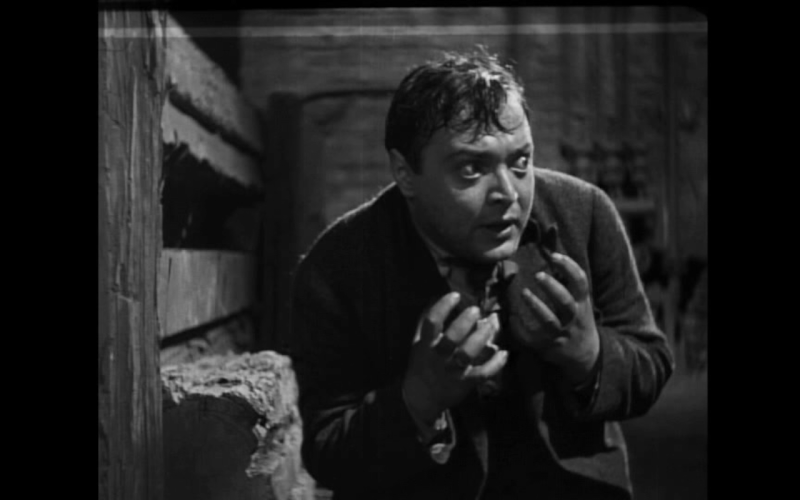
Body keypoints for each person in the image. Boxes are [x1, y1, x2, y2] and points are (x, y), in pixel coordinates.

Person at [289, 47, 674, 500]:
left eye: (521, 162)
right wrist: (419, 399)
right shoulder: (335, 268)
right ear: (405, 173)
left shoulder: (584, 214)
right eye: (471, 168)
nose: (508, 193)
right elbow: (326, 450)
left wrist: (589, 354)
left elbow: (652, 363)